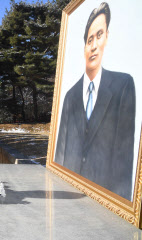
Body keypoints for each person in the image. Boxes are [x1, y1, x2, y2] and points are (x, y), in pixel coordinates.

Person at [55, 2, 136, 200]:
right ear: (83, 46)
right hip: (67, 197)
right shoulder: (69, 96)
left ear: (107, 36)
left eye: (99, 35)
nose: (93, 45)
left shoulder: (123, 86)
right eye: (89, 39)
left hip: (104, 206)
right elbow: (59, 158)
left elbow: (124, 164)